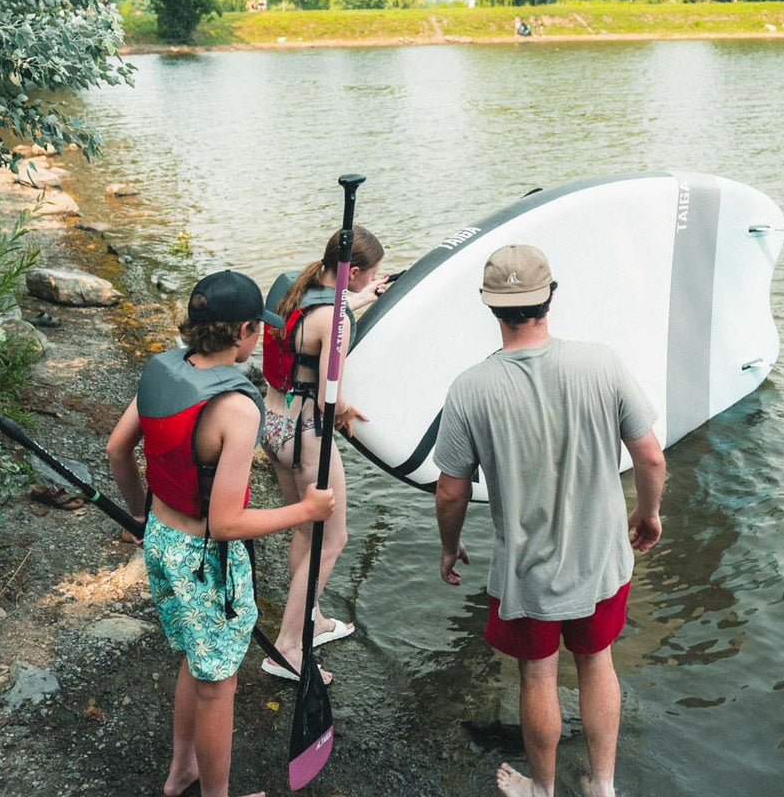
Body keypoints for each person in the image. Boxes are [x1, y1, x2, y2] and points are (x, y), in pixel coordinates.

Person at [433, 245, 666, 797]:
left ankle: (542, 789)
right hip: (600, 559)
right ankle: (603, 785)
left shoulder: (470, 388)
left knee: (537, 675)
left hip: (528, 571)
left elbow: (450, 490)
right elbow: (652, 458)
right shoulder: (602, 363)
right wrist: (648, 512)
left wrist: (449, 545)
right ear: (550, 297)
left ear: (490, 306)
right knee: (597, 663)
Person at [107, 269, 335, 797]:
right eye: (258, 328)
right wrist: (306, 509)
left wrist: (141, 515)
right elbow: (227, 523)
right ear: (243, 331)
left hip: (162, 539)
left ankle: (182, 771)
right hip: (205, 562)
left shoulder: (162, 369)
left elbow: (118, 450)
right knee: (218, 685)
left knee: (198, 659)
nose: (260, 338)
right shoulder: (234, 407)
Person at [258, 225, 387, 683]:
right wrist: (347, 411)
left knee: (306, 531)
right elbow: (332, 393)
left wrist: (366, 295)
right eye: (369, 273)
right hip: (306, 436)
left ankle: (309, 619)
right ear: (354, 271)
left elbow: (315, 330)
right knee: (333, 540)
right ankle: (287, 648)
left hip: (272, 424)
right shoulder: (335, 321)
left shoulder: (296, 289)